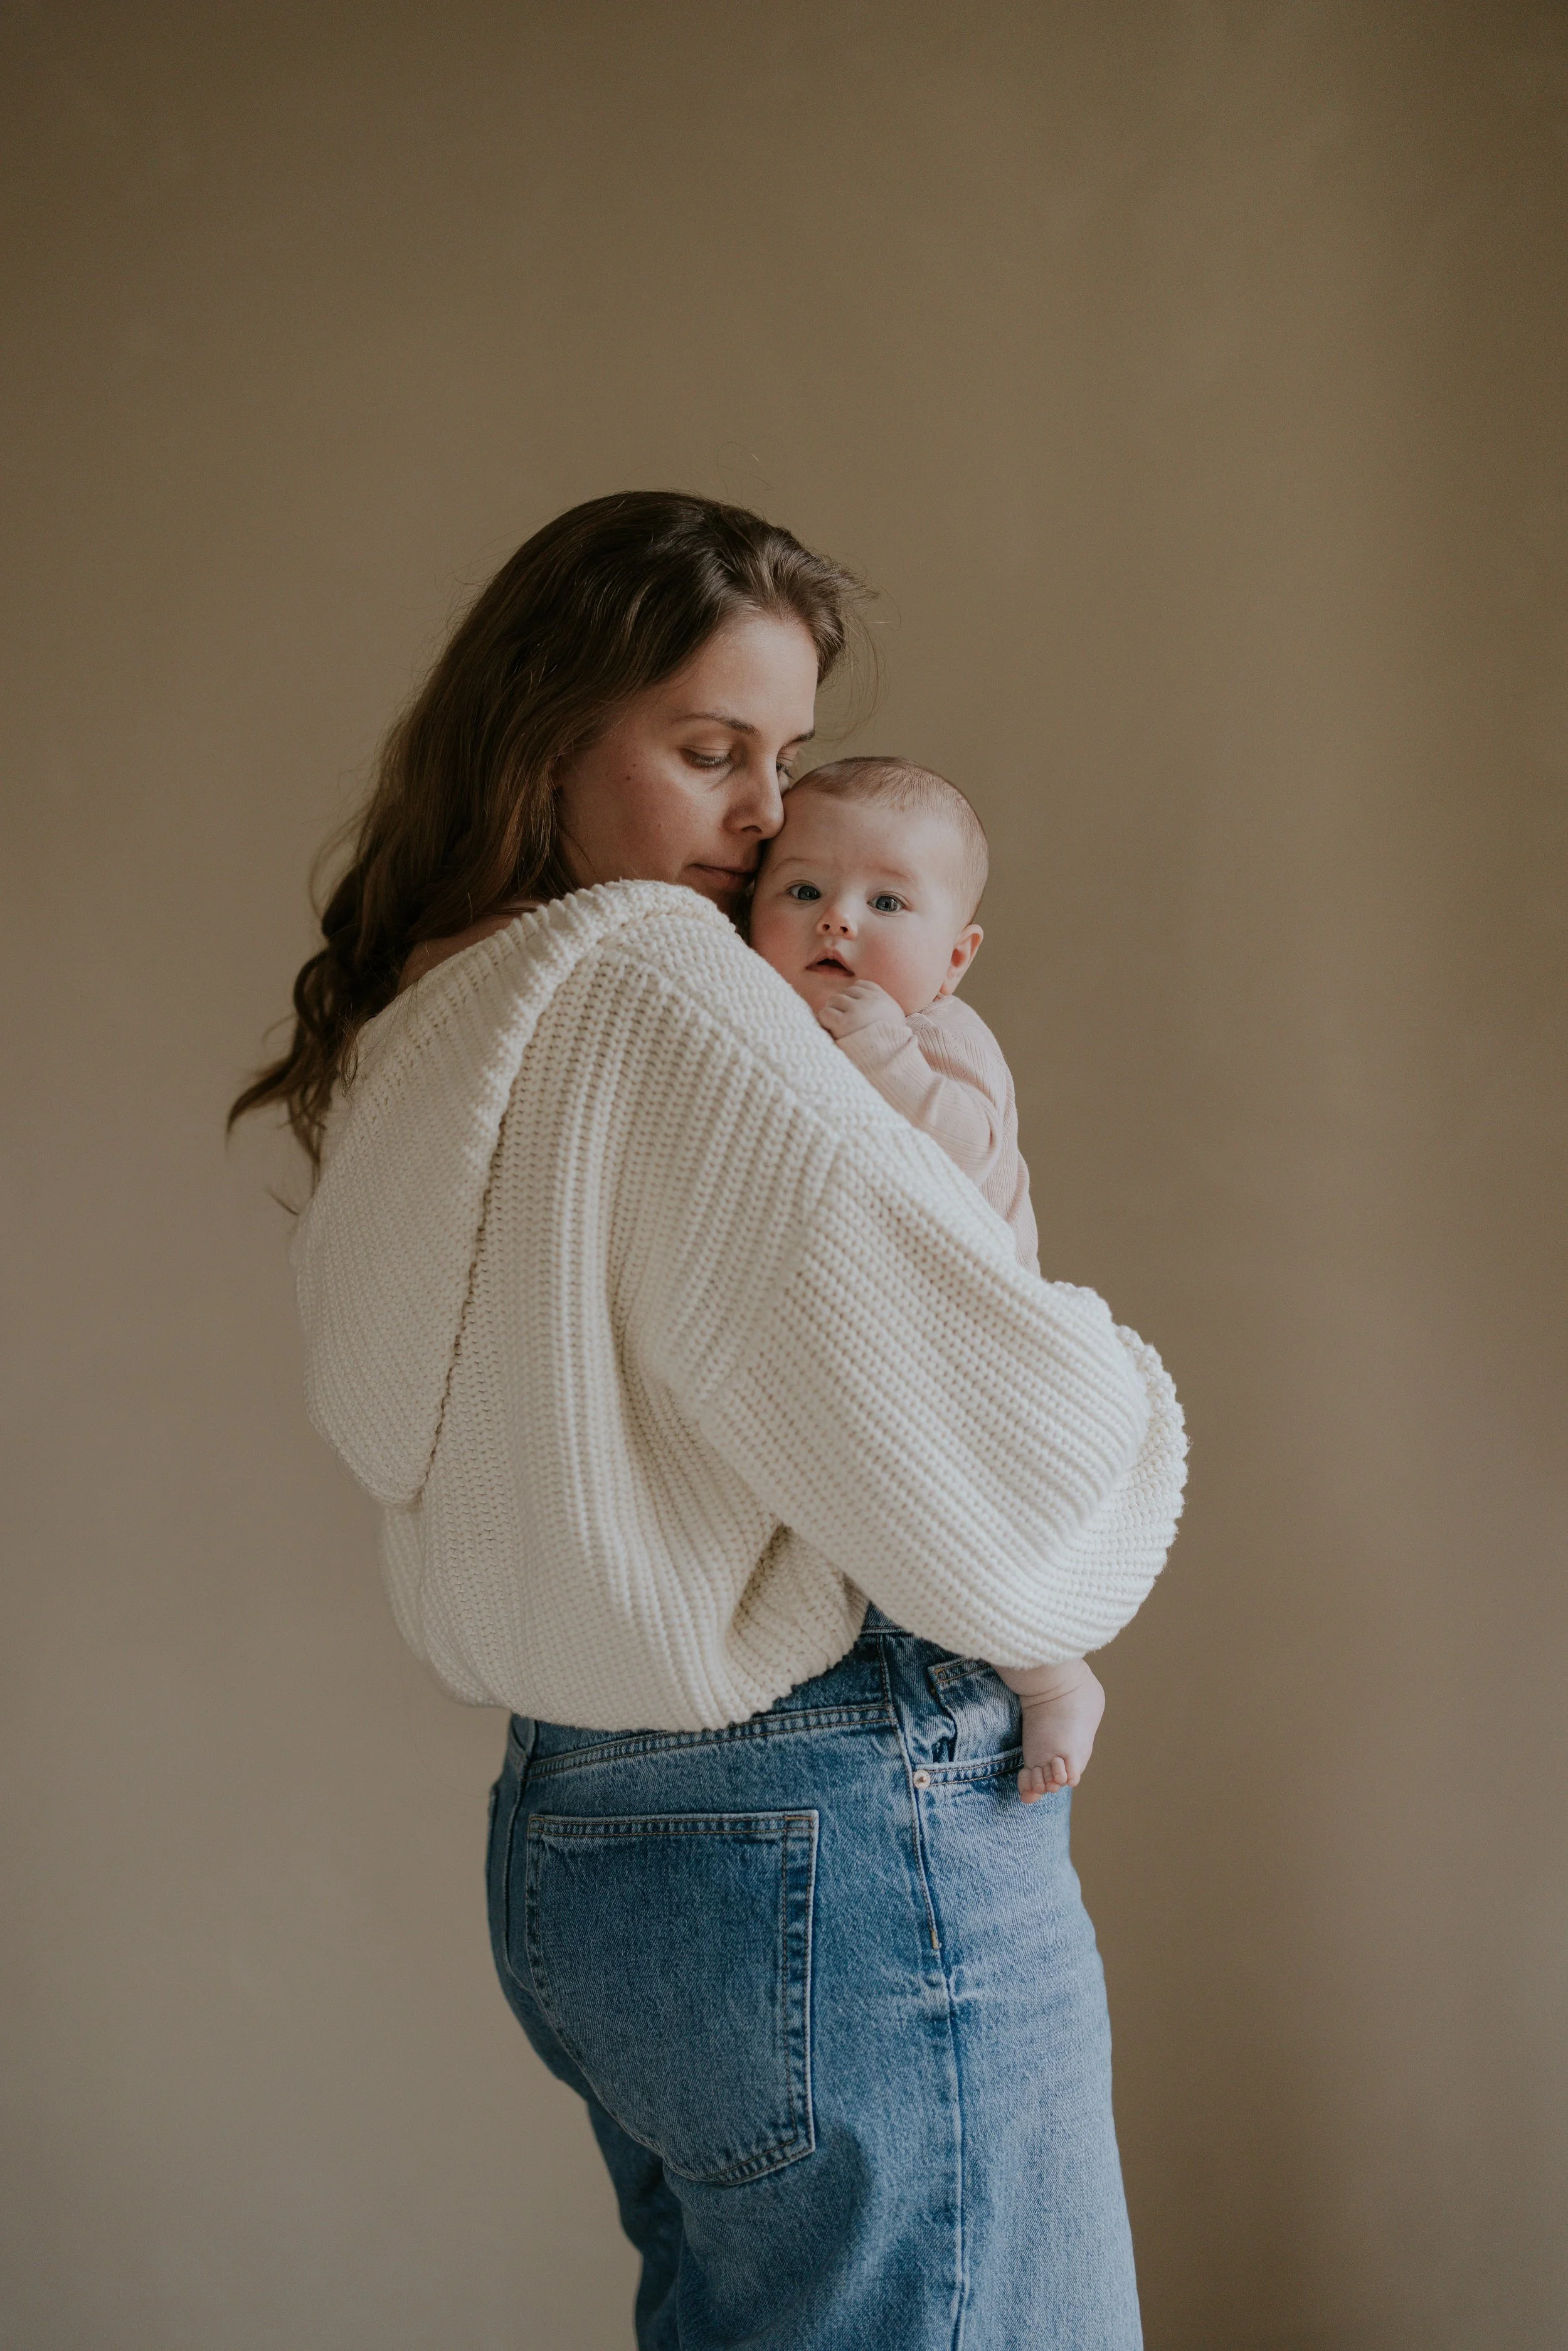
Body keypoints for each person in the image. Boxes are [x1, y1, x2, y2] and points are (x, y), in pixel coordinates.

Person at [231, 491, 1186, 2351]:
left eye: (787, 757)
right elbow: (1010, 1481)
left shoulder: (429, 1015)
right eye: (707, 752)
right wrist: (1097, 1375)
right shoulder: (660, 987)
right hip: (837, 1811)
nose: (769, 819)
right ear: (546, 736)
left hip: (589, 1839)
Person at [748, 753, 1108, 1803]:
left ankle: (1055, 1676)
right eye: (803, 890)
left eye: (885, 901)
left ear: (954, 958)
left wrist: (895, 1069)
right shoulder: (773, 1025)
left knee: (969, 1529)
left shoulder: (942, 1038)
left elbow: (969, 1161)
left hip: (980, 1342)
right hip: (879, 1345)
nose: (836, 922)